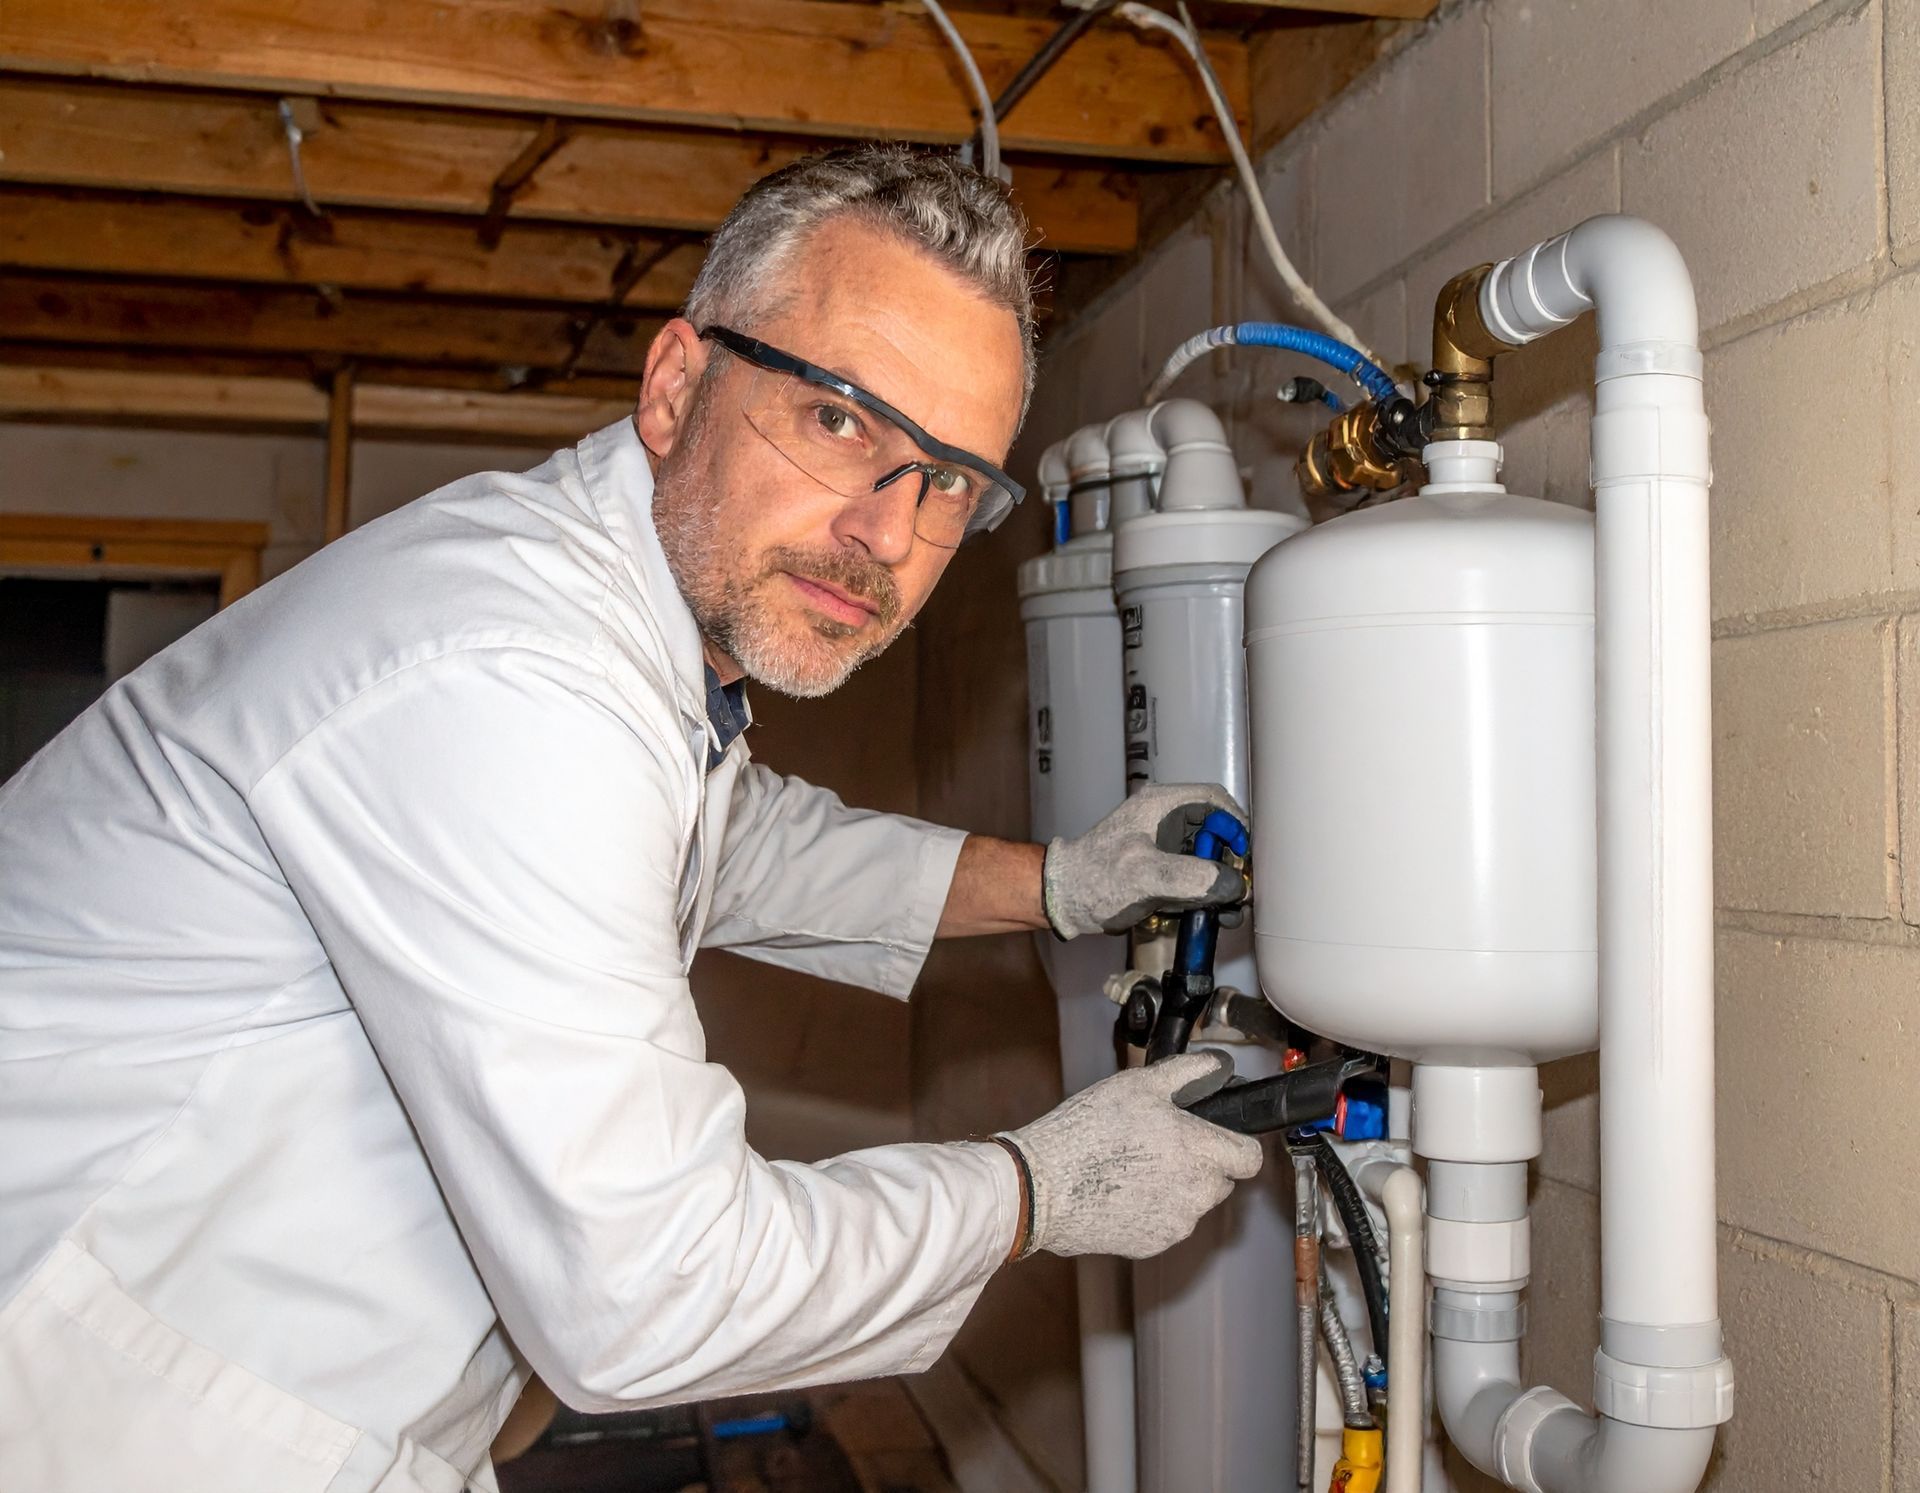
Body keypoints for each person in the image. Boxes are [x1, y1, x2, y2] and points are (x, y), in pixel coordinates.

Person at [0, 144, 1261, 1492]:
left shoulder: (619, 626)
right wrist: (1038, 1190)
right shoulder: (510, 672)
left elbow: (745, 835)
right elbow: (650, 1288)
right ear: (676, 387)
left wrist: (1062, 879)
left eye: (949, 478)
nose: (886, 532)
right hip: (100, 1404)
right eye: (842, 419)